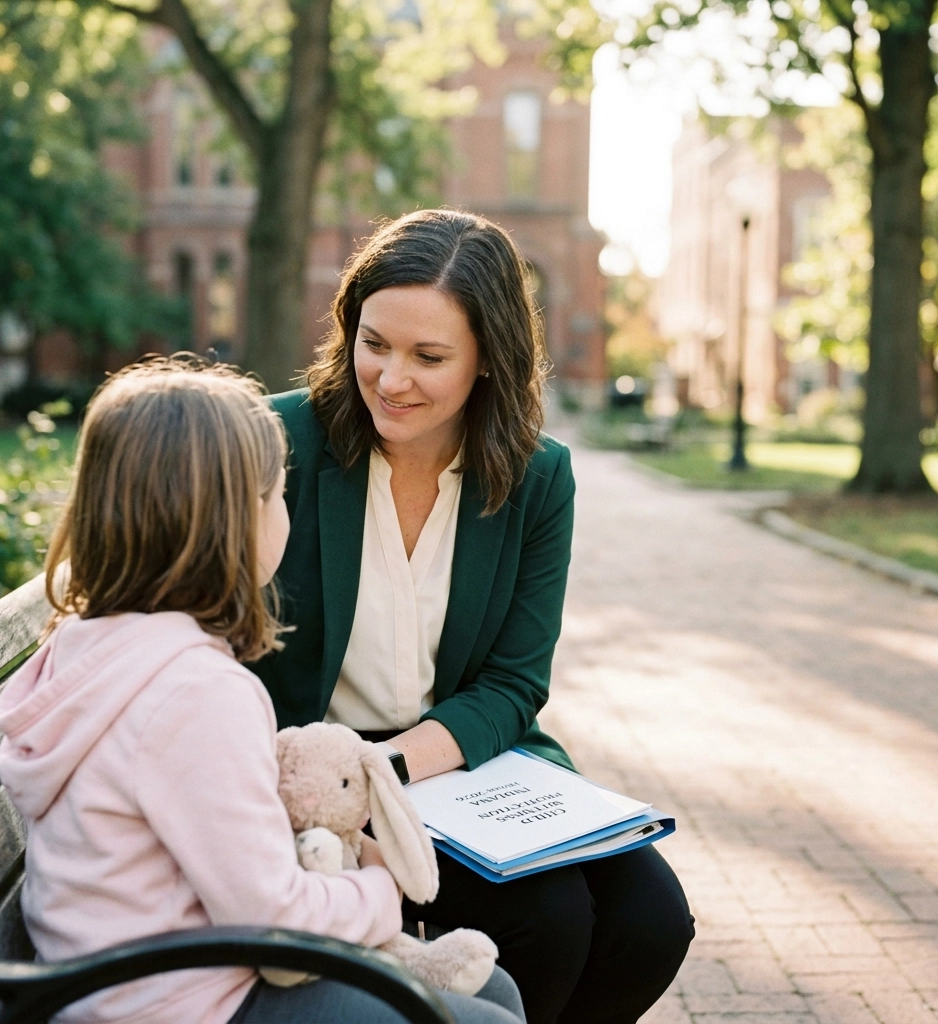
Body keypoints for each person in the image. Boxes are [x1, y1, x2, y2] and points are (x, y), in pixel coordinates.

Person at [251, 209, 695, 1024]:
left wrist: (396, 769)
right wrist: (351, 783)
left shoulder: (537, 476)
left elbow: (514, 683)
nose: (390, 378)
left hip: (458, 761)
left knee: (651, 922)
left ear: (489, 360)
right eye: (375, 342)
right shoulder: (277, 443)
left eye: (429, 357)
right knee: (549, 923)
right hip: (318, 776)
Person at [0, 356, 525, 1024]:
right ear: (228, 519)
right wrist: (381, 886)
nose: (285, 511)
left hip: (116, 982)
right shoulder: (195, 692)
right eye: (276, 494)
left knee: (491, 991)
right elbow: (274, 916)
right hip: (183, 1001)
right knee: (491, 1017)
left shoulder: (92, 647)